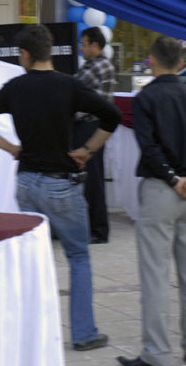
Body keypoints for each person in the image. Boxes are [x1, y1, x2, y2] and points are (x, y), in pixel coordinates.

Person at [0, 24, 121, 352]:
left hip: (26, 182)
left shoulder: (15, 87)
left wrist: (12, 148)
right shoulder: (69, 85)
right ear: (49, 51)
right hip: (61, 183)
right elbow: (111, 116)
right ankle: (83, 333)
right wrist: (88, 150)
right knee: (78, 256)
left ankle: (29, 332)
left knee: (32, 259)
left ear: (24, 54)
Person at [119, 36, 186, 366]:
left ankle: (158, 353)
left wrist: (174, 179)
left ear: (151, 60)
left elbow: (149, 147)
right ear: (180, 62)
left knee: (155, 275)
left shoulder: (146, 99)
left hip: (162, 190)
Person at [73, 26, 116, 244]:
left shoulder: (99, 66)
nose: (81, 48)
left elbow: (74, 89)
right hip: (89, 126)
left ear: (95, 45)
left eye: (84, 44)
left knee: (92, 180)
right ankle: (91, 227)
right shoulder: (92, 65)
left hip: (91, 127)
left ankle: (98, 230)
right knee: (88, 178)